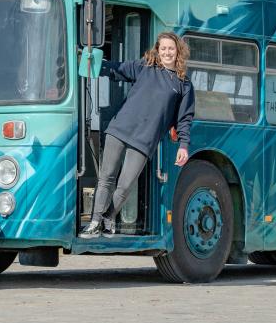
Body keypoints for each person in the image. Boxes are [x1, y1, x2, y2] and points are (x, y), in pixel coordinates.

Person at [79, 32, 195, 238]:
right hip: (120, 129)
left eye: (171, 48)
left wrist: (184, 145)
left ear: (178, 51)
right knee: (106, 178)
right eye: (163, 48)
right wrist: (92, 61)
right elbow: (117, 69)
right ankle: (95, 222)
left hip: (145, 140)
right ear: (157, 51)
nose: (167, 52)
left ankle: (108, 217)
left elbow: (184, 119)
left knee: (125, 186)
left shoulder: (184, 84)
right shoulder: (146, 67)